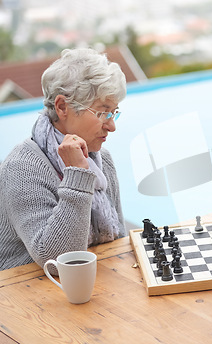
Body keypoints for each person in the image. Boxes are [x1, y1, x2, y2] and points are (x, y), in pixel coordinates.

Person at [0, 48, 127, 271]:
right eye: (102, 112)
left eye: (114, 112)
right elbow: (57, 262)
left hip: (93, 286)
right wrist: (77, 173)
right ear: (62, 107)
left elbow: (118, 242)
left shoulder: (101, 159)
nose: (112, 126)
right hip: (24, 294)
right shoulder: (21, 168)